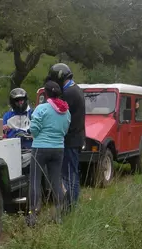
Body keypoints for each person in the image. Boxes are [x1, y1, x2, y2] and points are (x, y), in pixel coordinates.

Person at [26, 80, 71, 227]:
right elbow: (65, 130)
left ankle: (33, 216)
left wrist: (38, 135)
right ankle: (58, 216)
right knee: (56, 181)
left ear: (46, 94)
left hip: (40, 148)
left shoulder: (41, 108)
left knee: (35, 181)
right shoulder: (66, 110)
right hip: (58, 148)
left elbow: (34, 129)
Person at [47, 63, 85, 210]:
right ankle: (71, 205)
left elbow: (60, 114)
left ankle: (69, 207)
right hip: (77, 137)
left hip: (70, 139)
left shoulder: (69, 93)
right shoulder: (77, 89)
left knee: (69, 175)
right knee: (73, 173)